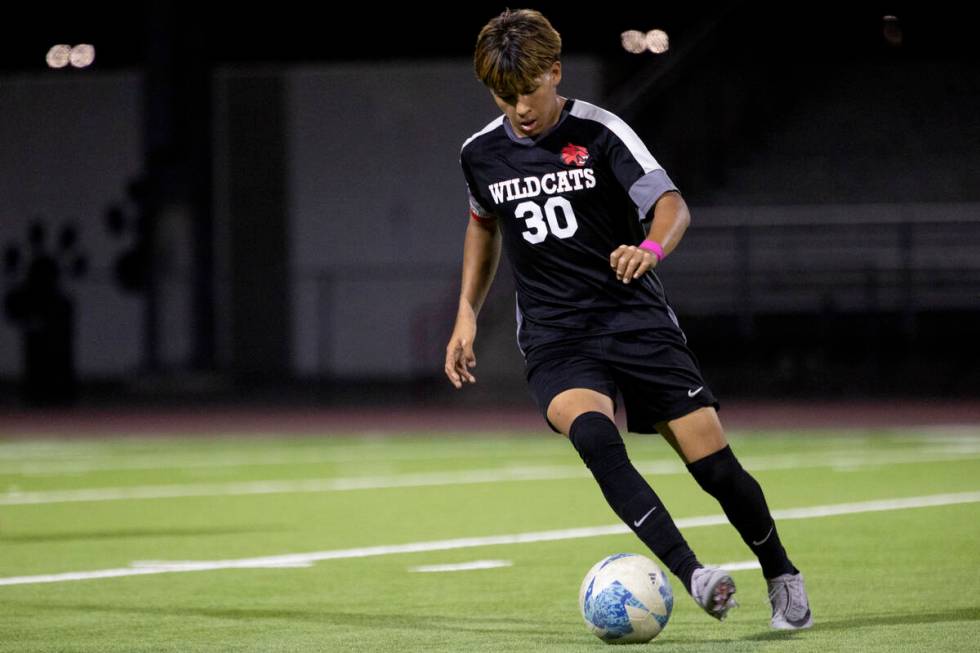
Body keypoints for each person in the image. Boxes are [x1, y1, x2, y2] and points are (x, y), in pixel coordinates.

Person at [444, 8, 812, 629]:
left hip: (633, 320)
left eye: (529, 91)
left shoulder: (602, 133)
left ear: (555, 73)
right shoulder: (480, 153)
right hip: (556, 337)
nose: (519, 109)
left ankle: (781, 573)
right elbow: (483, 225)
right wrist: (465, 316)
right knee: (594, 438)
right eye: (504, 97)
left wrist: (648, 248)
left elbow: (671, 205)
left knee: (716, 469)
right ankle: (694, 574)